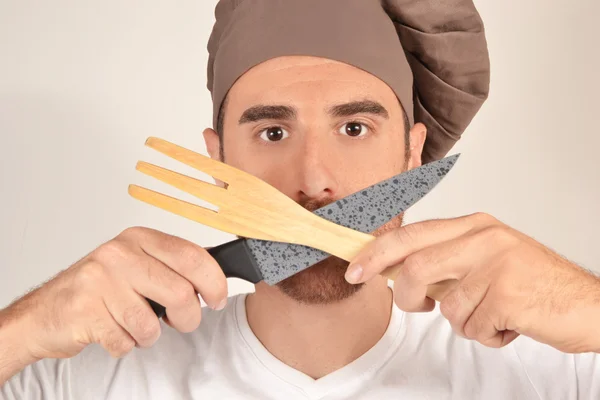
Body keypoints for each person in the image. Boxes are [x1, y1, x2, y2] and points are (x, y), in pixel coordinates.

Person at [1, 0, 599, 398]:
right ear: (218, 161)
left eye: (355, 128)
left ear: (413, 155)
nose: (314, 180)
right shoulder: (94, 369)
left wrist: (585, 308)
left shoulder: (553, 363)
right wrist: (24, 329)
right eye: (273, 132)